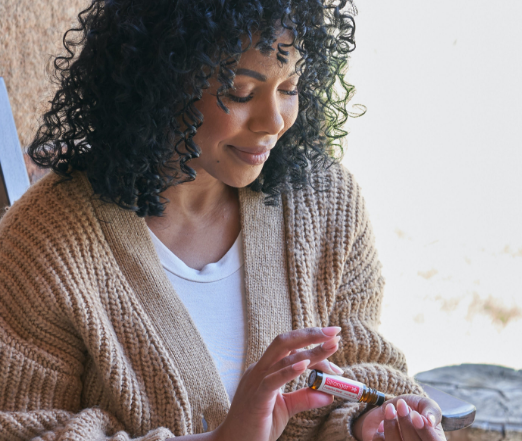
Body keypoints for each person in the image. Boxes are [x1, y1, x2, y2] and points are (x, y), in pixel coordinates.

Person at [0, 0, 447, 440]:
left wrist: (366, 422)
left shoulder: (327, 202)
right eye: (240, 93)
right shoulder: (44, 243)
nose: (273, 121)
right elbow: (24, 428)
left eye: (290, 88)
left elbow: (361, 365)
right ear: (161, 78)